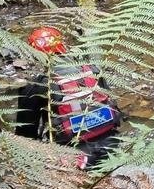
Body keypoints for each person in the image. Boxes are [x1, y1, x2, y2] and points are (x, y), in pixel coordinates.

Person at [15, 26, 124, 169]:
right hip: (114, 145)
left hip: (74, 157)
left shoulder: (36, 85)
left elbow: (25, 136)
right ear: (63, 47)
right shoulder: (91, 70)